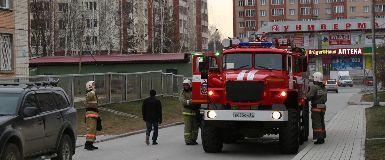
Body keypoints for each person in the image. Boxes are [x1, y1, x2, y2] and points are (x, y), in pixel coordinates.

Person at [306, 72, 327, 144]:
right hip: (323, 107)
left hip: (316, 108)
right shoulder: (323, 88)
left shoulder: (314, 87)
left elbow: (308, 97)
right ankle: (323, 136)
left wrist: (306, 94)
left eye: (313, 79)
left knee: (316, 123)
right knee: (321, 122)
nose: (313, 80)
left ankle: (319, 139)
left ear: (316, 79)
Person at [179, 79, 200, 145]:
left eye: (187, 85)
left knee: (195, 128)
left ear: (190, 85)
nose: (185, 86)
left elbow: (198, 99)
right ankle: (188, 141)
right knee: (188, 128)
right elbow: (183, 102)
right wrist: (191, 101)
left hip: (195, 112)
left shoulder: (194, 91)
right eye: (184, 85)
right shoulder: (182, 93)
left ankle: (193, 139)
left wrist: (192, 102)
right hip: (187, 113)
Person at [84, 81, 100, 150]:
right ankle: (87, 144)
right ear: (89, 86)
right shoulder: (89, 93)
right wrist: (93, 91)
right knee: (90, 130)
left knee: (93, 130)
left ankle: (91, 143)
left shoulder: (93, 93)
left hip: (94, 114)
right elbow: (89, 96)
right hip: (90, 115)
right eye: (93, 85)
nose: (94, 86)